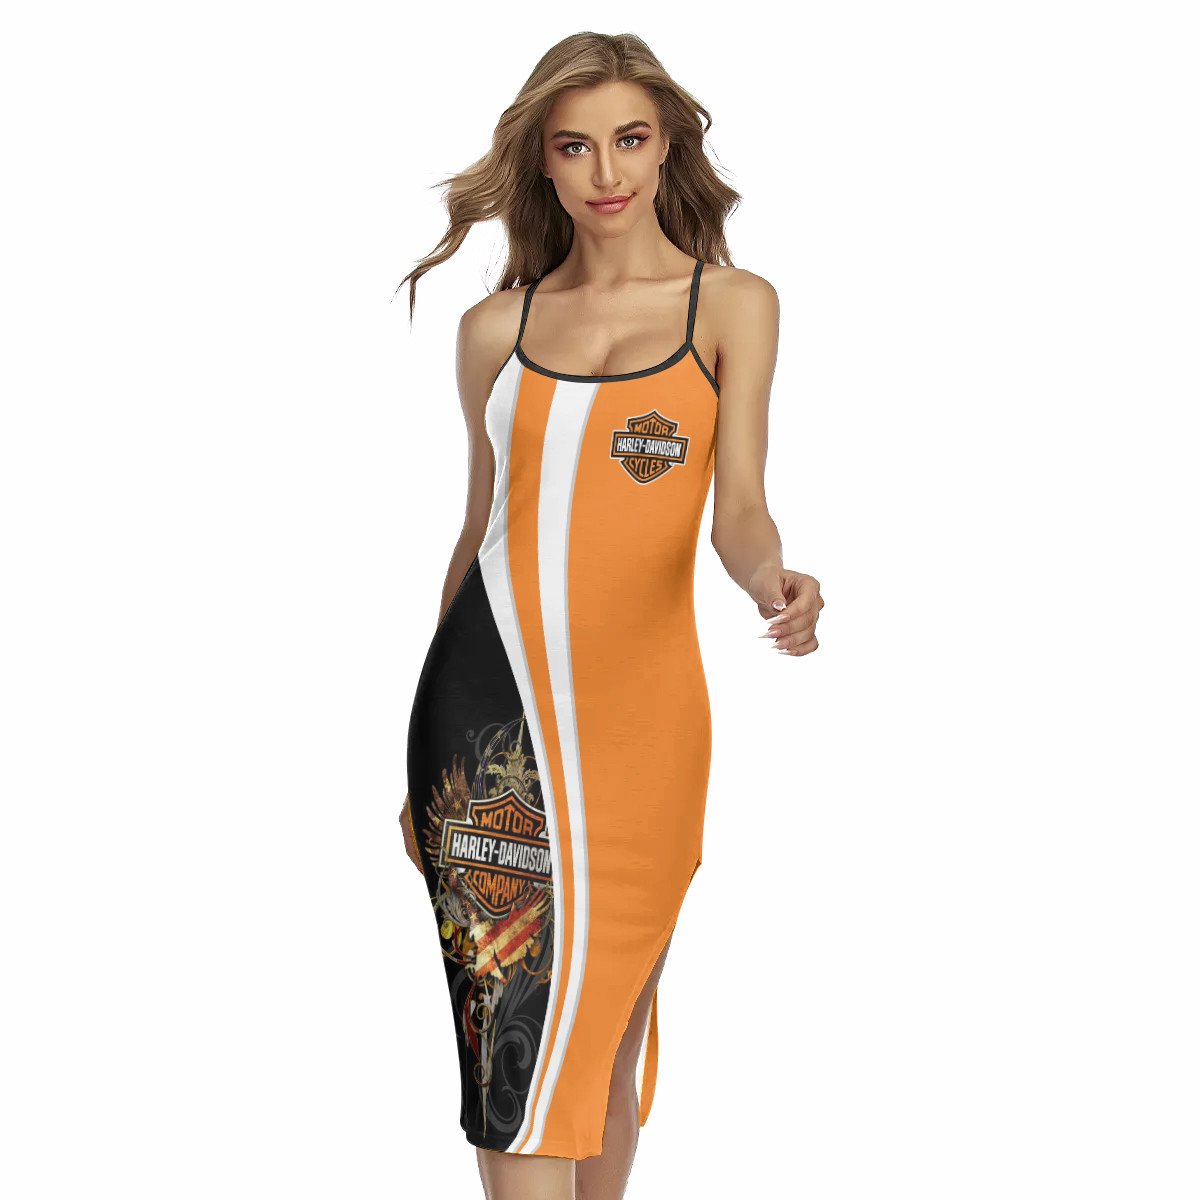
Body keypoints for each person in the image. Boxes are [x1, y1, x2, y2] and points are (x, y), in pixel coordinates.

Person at [396, 31, 823, 1200]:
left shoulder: (733, 306)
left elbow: (740, 511)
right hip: (486, 729)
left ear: (668, 142)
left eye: (629, 139)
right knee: (517, 1047)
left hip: (646, 732)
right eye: (574, 146)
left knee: (610, 1034)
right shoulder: (496, 330)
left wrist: (775, 581)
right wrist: (420, 766)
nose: (606, 171)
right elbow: (479, 536)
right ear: (541, 161)